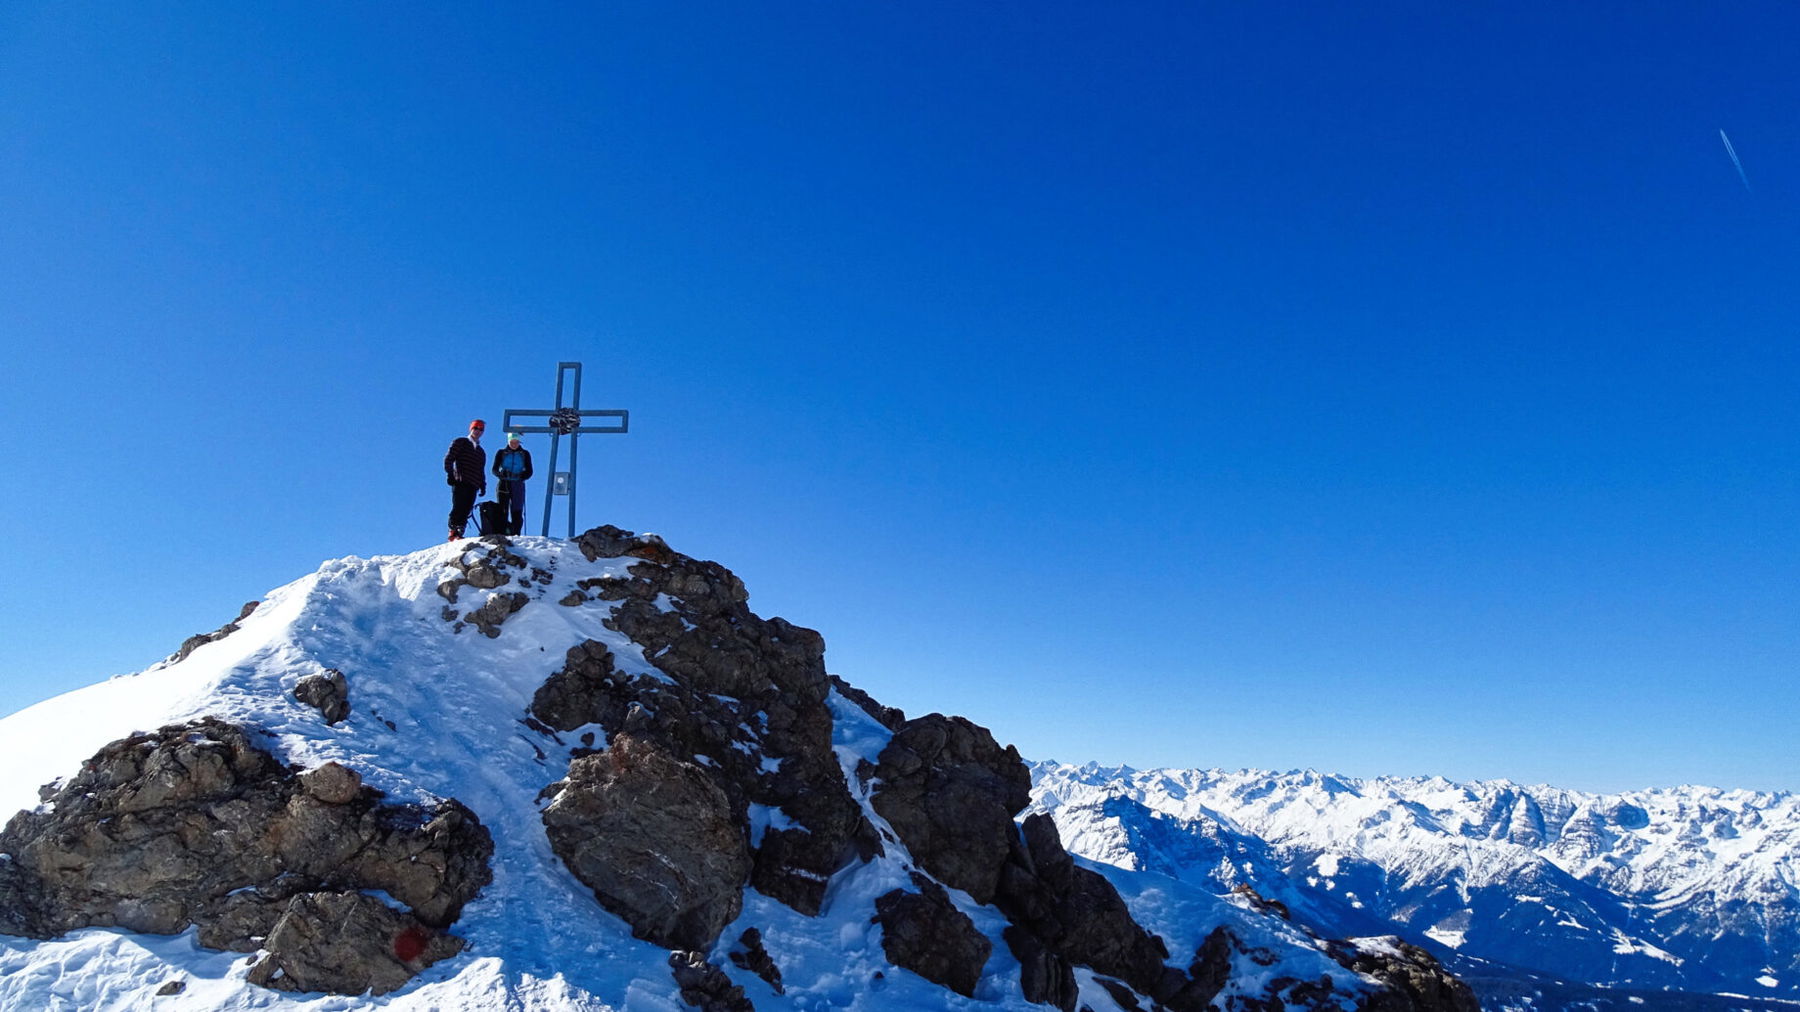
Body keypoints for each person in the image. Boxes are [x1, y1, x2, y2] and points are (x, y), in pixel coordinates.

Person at [444, 419, 487, 540]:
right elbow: (449, 458)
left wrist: (482, 485)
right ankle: (453, 530)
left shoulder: (481, 452)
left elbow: (481, 470)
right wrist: (450, 474)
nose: (478, 431)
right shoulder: (461, 442)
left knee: (467, 508)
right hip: (460, 481)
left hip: (473, 483)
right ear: (471, 429)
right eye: (476, 428)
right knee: (458, 506)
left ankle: (460, 531)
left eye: (481, 429)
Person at [491, 432, 534, 536]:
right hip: (504, 484)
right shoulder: (501, 453)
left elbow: (530, 471)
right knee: (502, 509)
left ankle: (516, 533)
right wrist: (502, 474)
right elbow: (494, 469)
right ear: (508, 441)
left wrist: (522, 476)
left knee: (517, 509)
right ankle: (503, 531)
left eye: (516, 442)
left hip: (518, 484)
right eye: (512, 442)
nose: (514, 444)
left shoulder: (525, 454)